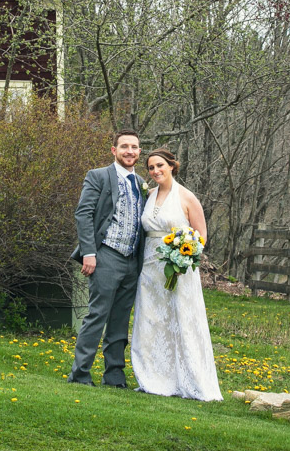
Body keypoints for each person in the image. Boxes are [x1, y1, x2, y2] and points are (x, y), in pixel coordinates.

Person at [130, 147, 223, 401]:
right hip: (150, 269)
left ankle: (190, 379)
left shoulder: (187, 197)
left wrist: (185, 256)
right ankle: (154, 378)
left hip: (179, 269)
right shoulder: (148, 195)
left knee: (181, 320)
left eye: (160, 165)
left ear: (172, 166)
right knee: (152, 321)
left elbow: (201, 236)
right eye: (150, 168)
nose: (155, 171)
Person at [69, 130, 146, 387]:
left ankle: (114, 376)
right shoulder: (99, 176)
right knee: (97, 315)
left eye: (134, 147)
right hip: (106, 255)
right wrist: (89, 252)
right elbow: (84, 214)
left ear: (139, 151)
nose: (129, 151)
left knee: (120, 320)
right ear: (114, 150)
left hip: (132, 261)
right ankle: (80, 374)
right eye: (124, 146)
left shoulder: (142, 183)